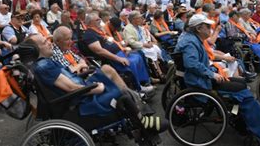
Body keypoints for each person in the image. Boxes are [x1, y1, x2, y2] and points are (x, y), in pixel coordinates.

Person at [27, 33, 168, 133]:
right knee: (121, 96)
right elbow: (71, 88)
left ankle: (138, 107)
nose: (49, 42)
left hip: (80, 89)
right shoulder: (44, 66)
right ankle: (140, 118)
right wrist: (95, 89)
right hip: (80, 100)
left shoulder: (44, 63)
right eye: (45, 42)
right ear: (35, 50)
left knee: (106, 69)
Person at [175, 14, 260, 141]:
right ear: (199, 29)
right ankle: (258, 129)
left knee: (241, 83)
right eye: (208, 26)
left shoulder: (192, 39)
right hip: (201, 83)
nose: (211, 28)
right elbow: (191, 64)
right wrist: (212, 74)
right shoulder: (190, 42)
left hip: (201, 79)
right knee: (244, 93)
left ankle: (244, 121)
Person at [82, 12, 153, 93]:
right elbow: (99, 51)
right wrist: (118, 58)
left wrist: (123, 48)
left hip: (120, 52)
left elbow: (112, 41)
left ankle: (143, 82)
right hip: (112, 58)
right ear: (91, 22)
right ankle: (138, 88)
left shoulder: (99, 31)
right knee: (131, 62)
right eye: (97, 19)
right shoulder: (89, 34)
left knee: (139, 55)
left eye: (99, 18)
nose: (100, 20)